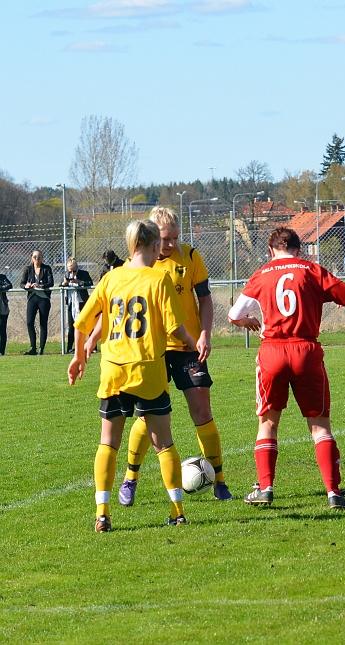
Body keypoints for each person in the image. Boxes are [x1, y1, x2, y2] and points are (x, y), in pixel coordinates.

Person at [68, 219, 197, 532]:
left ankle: (102, 513)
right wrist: (193, 345)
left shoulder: (111, 278)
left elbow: (83, 323)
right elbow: (174, 328)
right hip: (148, 368)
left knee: (108, 443)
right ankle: (177, 511)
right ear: (154, 246)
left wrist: (78, 356)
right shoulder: (158, 279)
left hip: (113, 368)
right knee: (163, 443)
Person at [227, 226, 345, 509]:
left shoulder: (261, 274)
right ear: (299, 249)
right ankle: (334, 493)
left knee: (268, 423)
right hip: (306, 351)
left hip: (272, 352)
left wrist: (247, 322)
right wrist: (334, 296)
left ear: (271, 250)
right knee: (320, 426)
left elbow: (234, 315)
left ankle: (265, 488)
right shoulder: (312, 269)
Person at [116, 207, 233, 505]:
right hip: (152, 351)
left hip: (188, 347)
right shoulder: (139, 263)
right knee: (146, 417)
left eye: (176, 238)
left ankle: (219, 481)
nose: (171, 244)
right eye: (165, 239)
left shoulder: (191, 257)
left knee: (202, 412)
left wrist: (205, 333)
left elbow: (205, 299)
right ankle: (131, 478)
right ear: (152, 237)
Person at [20, 250, 54, 355]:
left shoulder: (46, 268)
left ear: (42, 258)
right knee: (29, 322)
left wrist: (41, 286)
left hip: (43, 298)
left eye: (39, 257)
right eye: (35, 257)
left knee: (43, 323)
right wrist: (26, 286)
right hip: (32, 298)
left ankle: (41, 348)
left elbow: (51, 282)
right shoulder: (28, 269)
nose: (37, 259)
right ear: (32, 258)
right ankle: (33, 347)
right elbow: (22, 283)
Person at [61, 257, 93, 352]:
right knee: (71, 326)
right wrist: (64, 283)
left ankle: (92, 346)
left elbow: (90, 283)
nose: (72, 273)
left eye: (74, 271)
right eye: (70, 271)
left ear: (77, 268)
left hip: (81, 301)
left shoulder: (84, 274)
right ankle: (69, 348)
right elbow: (61, 286)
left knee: (86, 323)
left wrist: (80, 282)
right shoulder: (66, 274)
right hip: (71, 302)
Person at [0, 271, 11, 355]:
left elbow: (9, 285)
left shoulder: (2, 277)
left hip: (2, 307)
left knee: (2, 330)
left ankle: (1, 351)